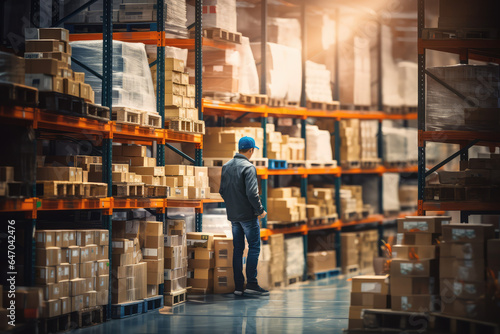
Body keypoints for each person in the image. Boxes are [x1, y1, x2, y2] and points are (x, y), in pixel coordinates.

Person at [219, 136, 269, 296]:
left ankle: (239, 287)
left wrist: (233, 206)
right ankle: (252, 284)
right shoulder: (248, 167)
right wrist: (260, 210)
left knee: (238, 249)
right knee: (254, 247)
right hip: (248, 216)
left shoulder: (226, 166)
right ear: (251, 150)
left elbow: (222, 191)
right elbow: (252, 194)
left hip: (234, 217)